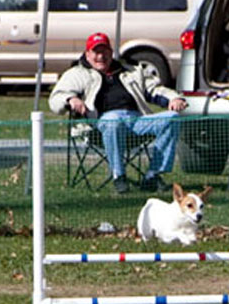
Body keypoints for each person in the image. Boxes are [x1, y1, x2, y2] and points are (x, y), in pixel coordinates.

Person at [49, 32, 188, 194]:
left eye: (105, 52)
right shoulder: (77, 74)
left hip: (137, 121)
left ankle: (152, 175)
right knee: (113, 121)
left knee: (172, 118)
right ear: (88, 54)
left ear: (111, 52)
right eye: (96, 52)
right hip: (99, 126)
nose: (101, 56)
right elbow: (55, 99)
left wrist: (174, 99)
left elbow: (154, 89)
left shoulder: (131, 70)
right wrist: (70, 99)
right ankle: (119, 175)